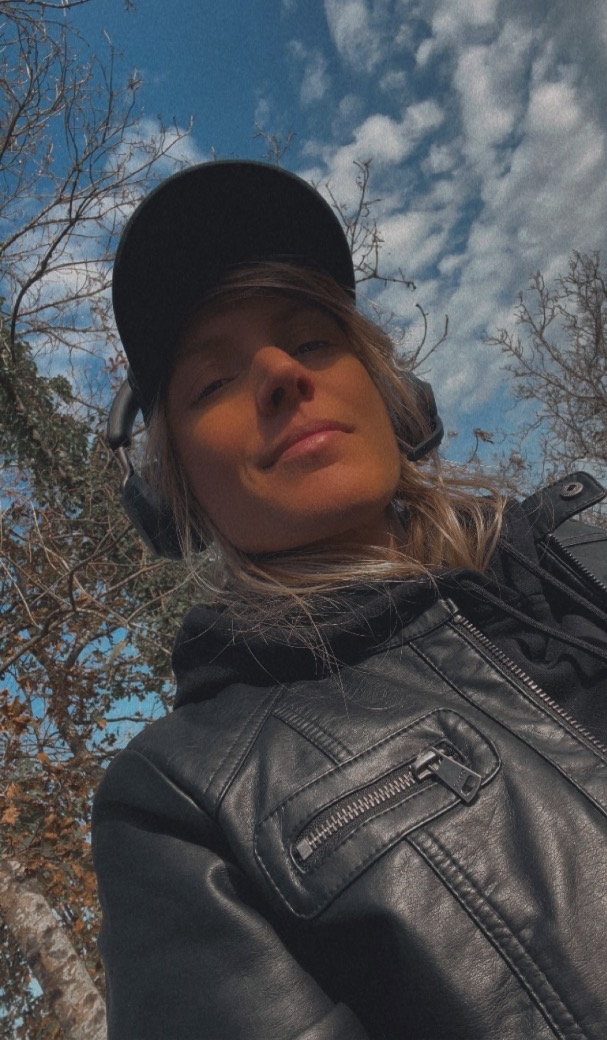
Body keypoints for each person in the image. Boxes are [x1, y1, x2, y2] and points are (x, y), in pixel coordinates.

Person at [93, 159, 607, 1040]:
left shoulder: (586, 544)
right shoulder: (177, 805)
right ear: (176, 497)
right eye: (211, 382)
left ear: (391, 396)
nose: (279, 374)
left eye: (311, 340)